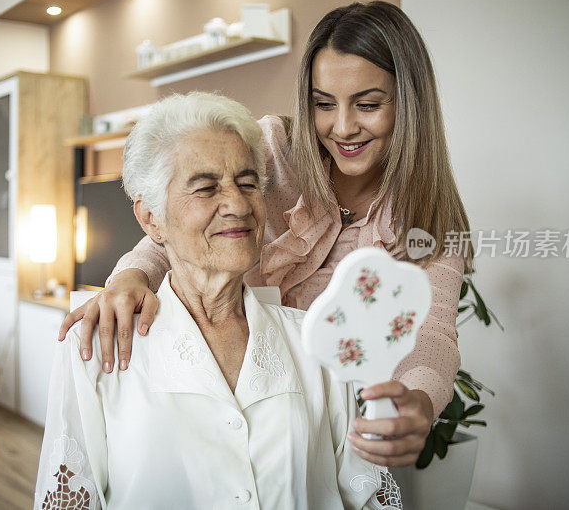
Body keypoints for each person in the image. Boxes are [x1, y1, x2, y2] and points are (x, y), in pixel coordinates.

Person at [58, 1, 472, 468]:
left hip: (334, 433)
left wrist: (418, 401)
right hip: (236, 393)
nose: (342, 127)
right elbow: (179, 224)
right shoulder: (274, 150)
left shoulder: (432, 218)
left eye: (368, 105)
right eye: (323, 104)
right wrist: (129, 278)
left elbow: (433, 333)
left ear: (409, 103)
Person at [35, 92, 400, 509]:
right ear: (150, 218)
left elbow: (365, 496)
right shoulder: (94, 348)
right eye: (206, 188)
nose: (238, 204)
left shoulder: (315, 342)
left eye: (248, 183)